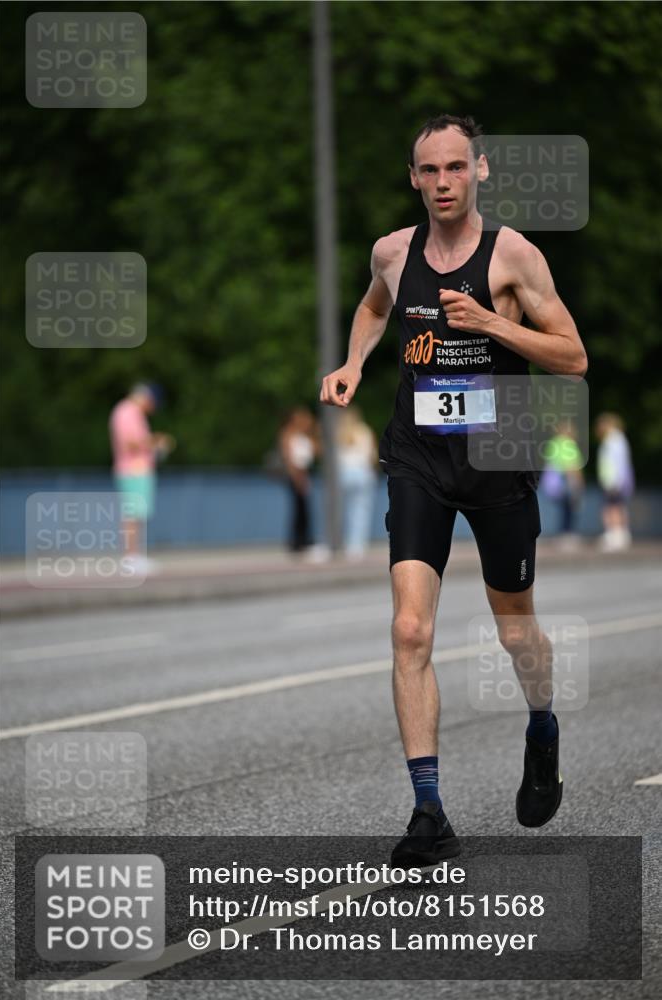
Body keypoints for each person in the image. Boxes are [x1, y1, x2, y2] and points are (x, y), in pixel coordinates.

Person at [320, 114, 587, 865]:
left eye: (456, 167)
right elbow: (375, 306)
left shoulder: (514, 255)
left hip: (496, 456)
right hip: (418, 456)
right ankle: (428, 812)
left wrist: (492, 325)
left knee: (515, 632)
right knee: (410, 630)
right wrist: (354, 362)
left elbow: (572, 357)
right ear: (413, 178)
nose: (443, 182)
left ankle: (541, 726)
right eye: (430, 170)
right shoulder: (391, 252)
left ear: (480, 170)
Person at [109, 382, 174, 575]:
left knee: (136, 514)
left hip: (136, 470)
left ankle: (134, 556)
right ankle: (131, 558)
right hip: (133, 470)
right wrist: (156, 441)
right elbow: (129, 444)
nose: (152, 408)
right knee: (132, 514)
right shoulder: (127, 412)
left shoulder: (130, 412)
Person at [336, 407, 378, 559]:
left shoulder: (339, 431)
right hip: (363, 473)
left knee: (341, 511)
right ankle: (357, 546)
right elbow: (372, 455)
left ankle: (340, 542)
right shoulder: (365, 431)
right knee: (361, 512)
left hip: (343, 474)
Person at [278, 407, 320, 555]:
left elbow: (317, 451)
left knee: (305, 509)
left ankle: (304, 539)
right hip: (296, 475)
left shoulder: (305, 436)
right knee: (298, 509)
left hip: (305, 474)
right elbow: (289, 458)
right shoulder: (288, 434)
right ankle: (297, 541)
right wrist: (297, 477)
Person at [540, 420, 585, 548]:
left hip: (555, 483)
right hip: (566, 480)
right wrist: (579, 483)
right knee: (569, 509)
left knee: (563, 509)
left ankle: (563, 534)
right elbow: (571, 465)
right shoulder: (568, 444)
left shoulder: (554, 443)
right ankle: (568, 534)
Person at [595, 413, 634, 551]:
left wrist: (615, 481)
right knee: (618, 506)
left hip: (613, 481)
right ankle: (620, 534)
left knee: (612, 507)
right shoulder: (617, 439)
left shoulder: (613, 440)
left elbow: (617, 462)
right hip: (616, 480)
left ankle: (615, 534)